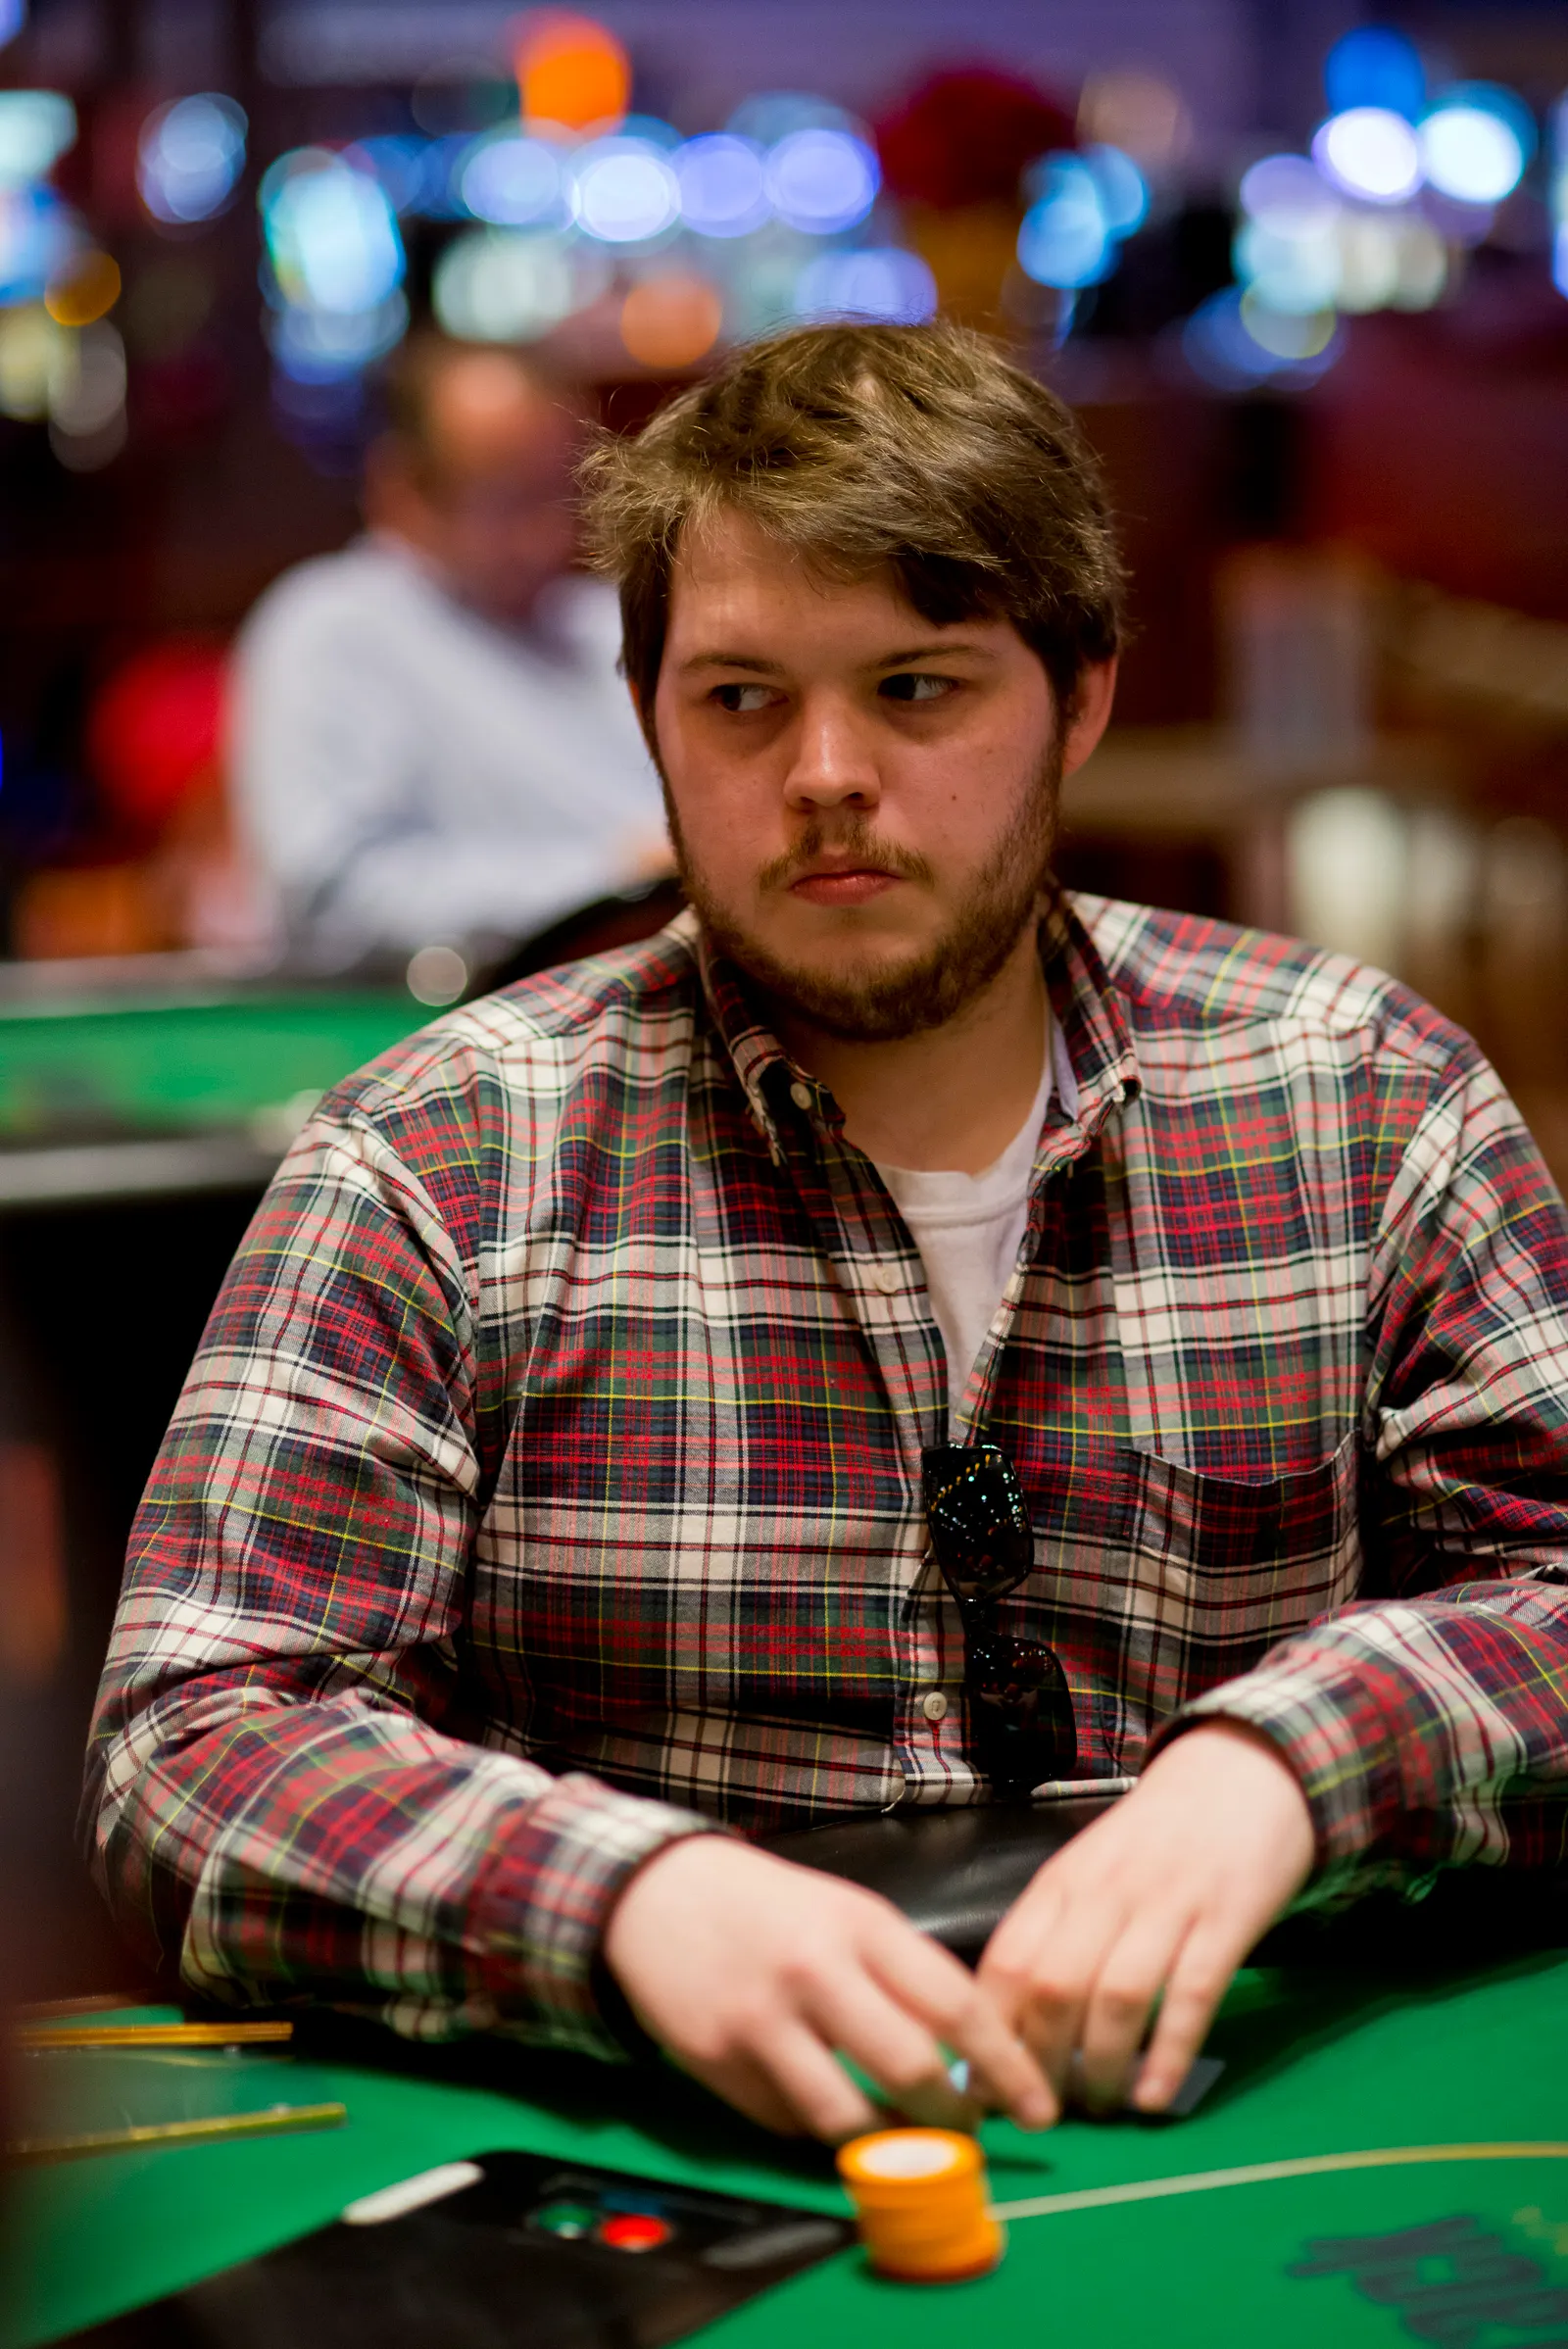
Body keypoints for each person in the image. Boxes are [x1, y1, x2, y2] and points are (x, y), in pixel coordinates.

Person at [87, 322, 1568, 2147]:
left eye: (918, 687)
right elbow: (195, 1743)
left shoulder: (1366, 1094)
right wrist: (625, 1901)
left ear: (1080, 699)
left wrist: (1289, 1765)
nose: (825, 773)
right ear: (648, 717)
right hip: (696, 2156)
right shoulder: (438, 1154)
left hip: (1276, 2122)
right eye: (740, 701)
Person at [231, 334, 666, 976]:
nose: (548, 534)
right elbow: (331, 898)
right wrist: (615, 876)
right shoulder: (333, 627)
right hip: (455, 1011)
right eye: (508, 498)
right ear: (401, 488)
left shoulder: (603, 622)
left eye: (562, 491)